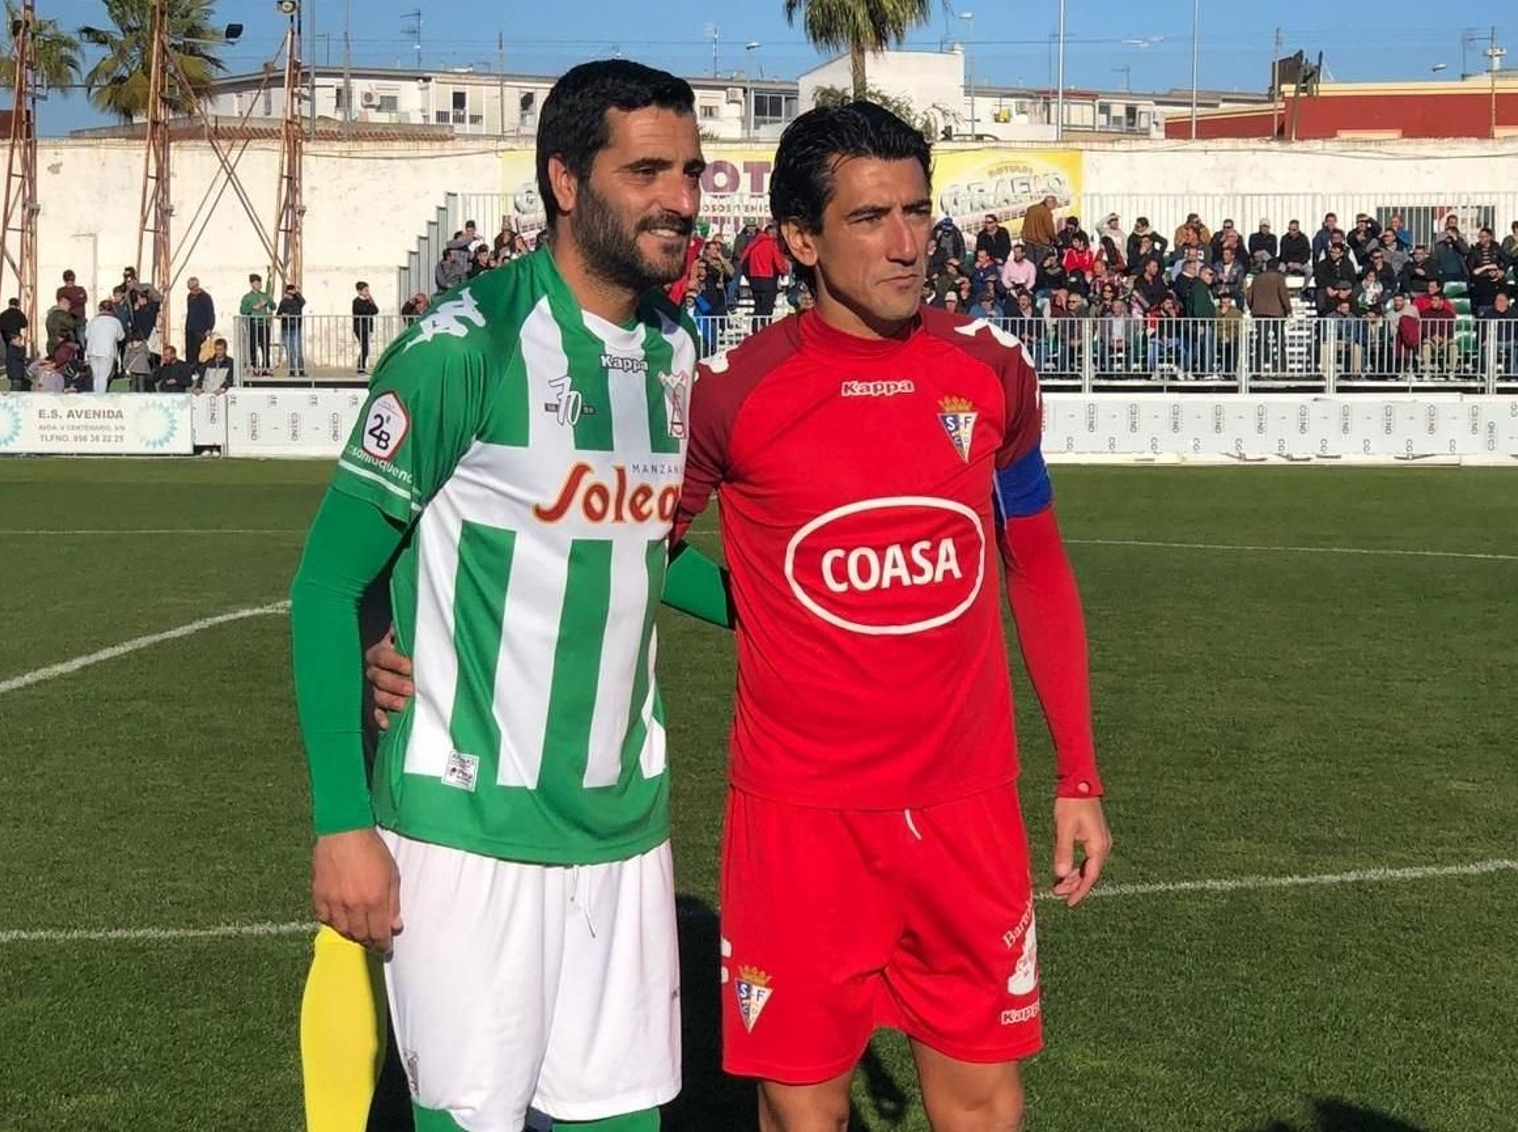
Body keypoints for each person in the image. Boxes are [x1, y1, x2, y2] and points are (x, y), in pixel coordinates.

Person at [364, 100, 1111, 1132]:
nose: (907, 244)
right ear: (799, 239)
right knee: (804, 1115)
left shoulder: (991, 370)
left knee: (982, 1104)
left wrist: (1078, 776)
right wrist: (401, 627)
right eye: (869, 218)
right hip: (798, 821)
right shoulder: (729, 396)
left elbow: (1038, 564)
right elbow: (616, 543)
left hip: (965, 809)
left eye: (917, 212)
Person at [290, 59, 732, 1132]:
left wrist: (783, 601)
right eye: (646, 172)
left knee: (618, 1118)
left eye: (689, 170)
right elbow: (326, 585)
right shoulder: (464, 349)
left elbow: (634, 539)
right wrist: (343, 824)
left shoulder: (674, 350)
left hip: (624, 827)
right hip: (467, 829)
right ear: (565, 181)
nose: (680, 198)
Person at [85, 300, 125, 394]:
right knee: (103, 376)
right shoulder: (115, 321)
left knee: (96, 376)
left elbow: (86, 335)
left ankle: (96, 394)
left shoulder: (93, 321)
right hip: (107, 351)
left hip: (92, 350)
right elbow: (121, 337)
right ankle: (101, 397)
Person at [240, 274, 275, 377]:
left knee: (265, 346)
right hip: (253, 323)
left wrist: (268, 302)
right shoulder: (247, 297)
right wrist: (253, 307)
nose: (259, 285)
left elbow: (273, 306)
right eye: (256, 283)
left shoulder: (265, 295)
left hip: (264, 323)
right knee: (253, 346)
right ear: (252, 284)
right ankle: (255, 366)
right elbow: (242, 310)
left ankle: (266, 367)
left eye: (259, 283)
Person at [185, 277, 215, 378]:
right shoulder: (189, 296)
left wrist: (210, 328)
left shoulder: (206, 298)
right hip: (190, 328)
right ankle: (191, 372)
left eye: (193, 288)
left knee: (200, 352)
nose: (191, 291)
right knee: (190, 352)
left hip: (201, 329)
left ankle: (200, 373)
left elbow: (211, 313)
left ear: (197, 286)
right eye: (190, 288)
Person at [0, 297, 30, 390]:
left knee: (10, 355)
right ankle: (17, 371)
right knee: (17, 355)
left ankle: (10, 370)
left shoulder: (4, 314)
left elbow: (0, 324)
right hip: (16, 336)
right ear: (17, 304)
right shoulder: (19, 314)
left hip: (6, 336)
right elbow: (25, 324)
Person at [278, 283, 307, 376]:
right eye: (289, 292)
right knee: (289, 350)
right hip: (286, 328)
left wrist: (296, 293)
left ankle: (301, 370)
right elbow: (278, 314)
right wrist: (282, 315)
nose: (290, 294)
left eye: (292, 292)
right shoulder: (283, 302)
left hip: (296, 327)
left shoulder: (298, 301)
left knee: (298, 349)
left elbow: (303, 302)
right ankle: (292, 370)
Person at [350, 282, 378, 375]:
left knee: (366, 347)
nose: (368, 292)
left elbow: (375, 311)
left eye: (368, 290)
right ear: (359, 291)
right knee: (365, 347)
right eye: (365, 290)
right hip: (360, 327)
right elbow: (363, 311)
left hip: (368, 327)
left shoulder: (368, 301)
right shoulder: (356, 301)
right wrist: (368, 303)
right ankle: (360, 368)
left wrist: (371, 301)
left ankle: (362, 367)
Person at [56, 269, 89, 347]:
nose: (70, 282)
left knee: (81, 342)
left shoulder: (80, 289)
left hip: (79, 320)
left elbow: (83, 300)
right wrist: (77, 300)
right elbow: (61, 304)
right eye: (68, 280)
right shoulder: (61, 291)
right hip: (67, 321)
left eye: (71, 280)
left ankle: (80, 354)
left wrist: (69, 302)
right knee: (70, 343)